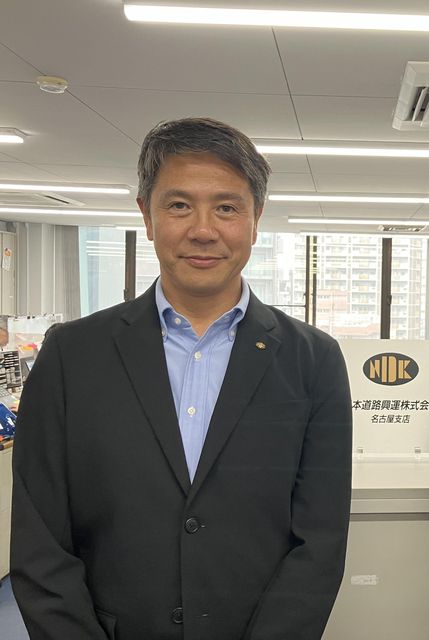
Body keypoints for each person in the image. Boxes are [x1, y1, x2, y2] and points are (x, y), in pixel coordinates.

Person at [11, 117, 353, 640]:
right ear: (146, 216)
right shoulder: (71, 355)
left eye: (227, 207)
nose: (203, 230)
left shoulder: (314, 360)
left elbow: (320, 540)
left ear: (256, 220)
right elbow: (40, 541)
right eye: (178, 205)